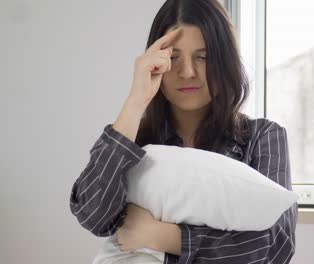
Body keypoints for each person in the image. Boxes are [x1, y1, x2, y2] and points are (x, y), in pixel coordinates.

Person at [69, 0, 297, 263]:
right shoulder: (133, 140)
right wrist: (136, 100)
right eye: (173, 58)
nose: (187, 72)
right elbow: (91, 214)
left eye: (203, 57)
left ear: (225, 62)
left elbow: (277, 247)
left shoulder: (262, 137)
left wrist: (160, 236)